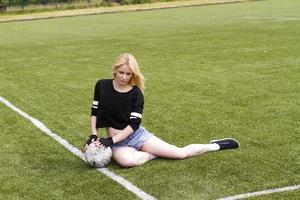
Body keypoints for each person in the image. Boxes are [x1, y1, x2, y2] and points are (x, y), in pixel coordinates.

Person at [84, 53, 240, 168]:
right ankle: (154, 153)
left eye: (128, 74)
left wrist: (110, 141)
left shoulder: (136, 93)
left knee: (179, 154)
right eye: (121, 72)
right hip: (117, 143)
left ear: (133, 74)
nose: (124, 77)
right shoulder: (102, 85)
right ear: (115, 70)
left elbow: (134, 124)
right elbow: (95, 111)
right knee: (126, 161)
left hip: (135, 136)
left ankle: (214, 145)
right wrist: (94, 134)